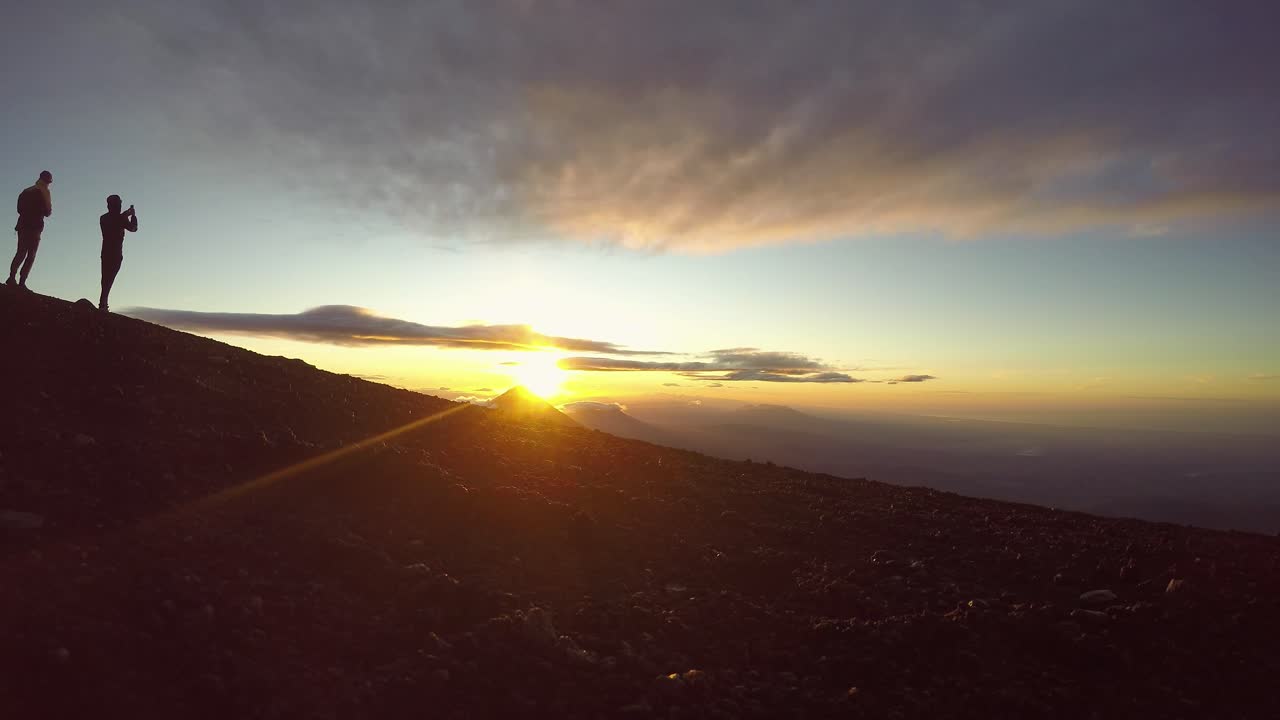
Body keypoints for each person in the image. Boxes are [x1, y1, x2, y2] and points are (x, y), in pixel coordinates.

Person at [8, 170, 53, 290]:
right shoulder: (45, 192)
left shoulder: (26, 191)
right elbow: (48, 212)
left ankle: (11, 277)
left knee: (20, 251)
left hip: (22, 225)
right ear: (48, 181)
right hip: (35, 227)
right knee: (31, 254)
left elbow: (19, 209)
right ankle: (22, 282)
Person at [98, 195, 138, 312]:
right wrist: (133, 216)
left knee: (105, 278)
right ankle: (103, 304)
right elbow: (133, 228)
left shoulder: (103, 218)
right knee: (109, 279)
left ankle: (103, 303)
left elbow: (116, 219)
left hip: (105, 252)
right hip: (115, 253)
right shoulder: (120, 218)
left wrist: (126, 214)